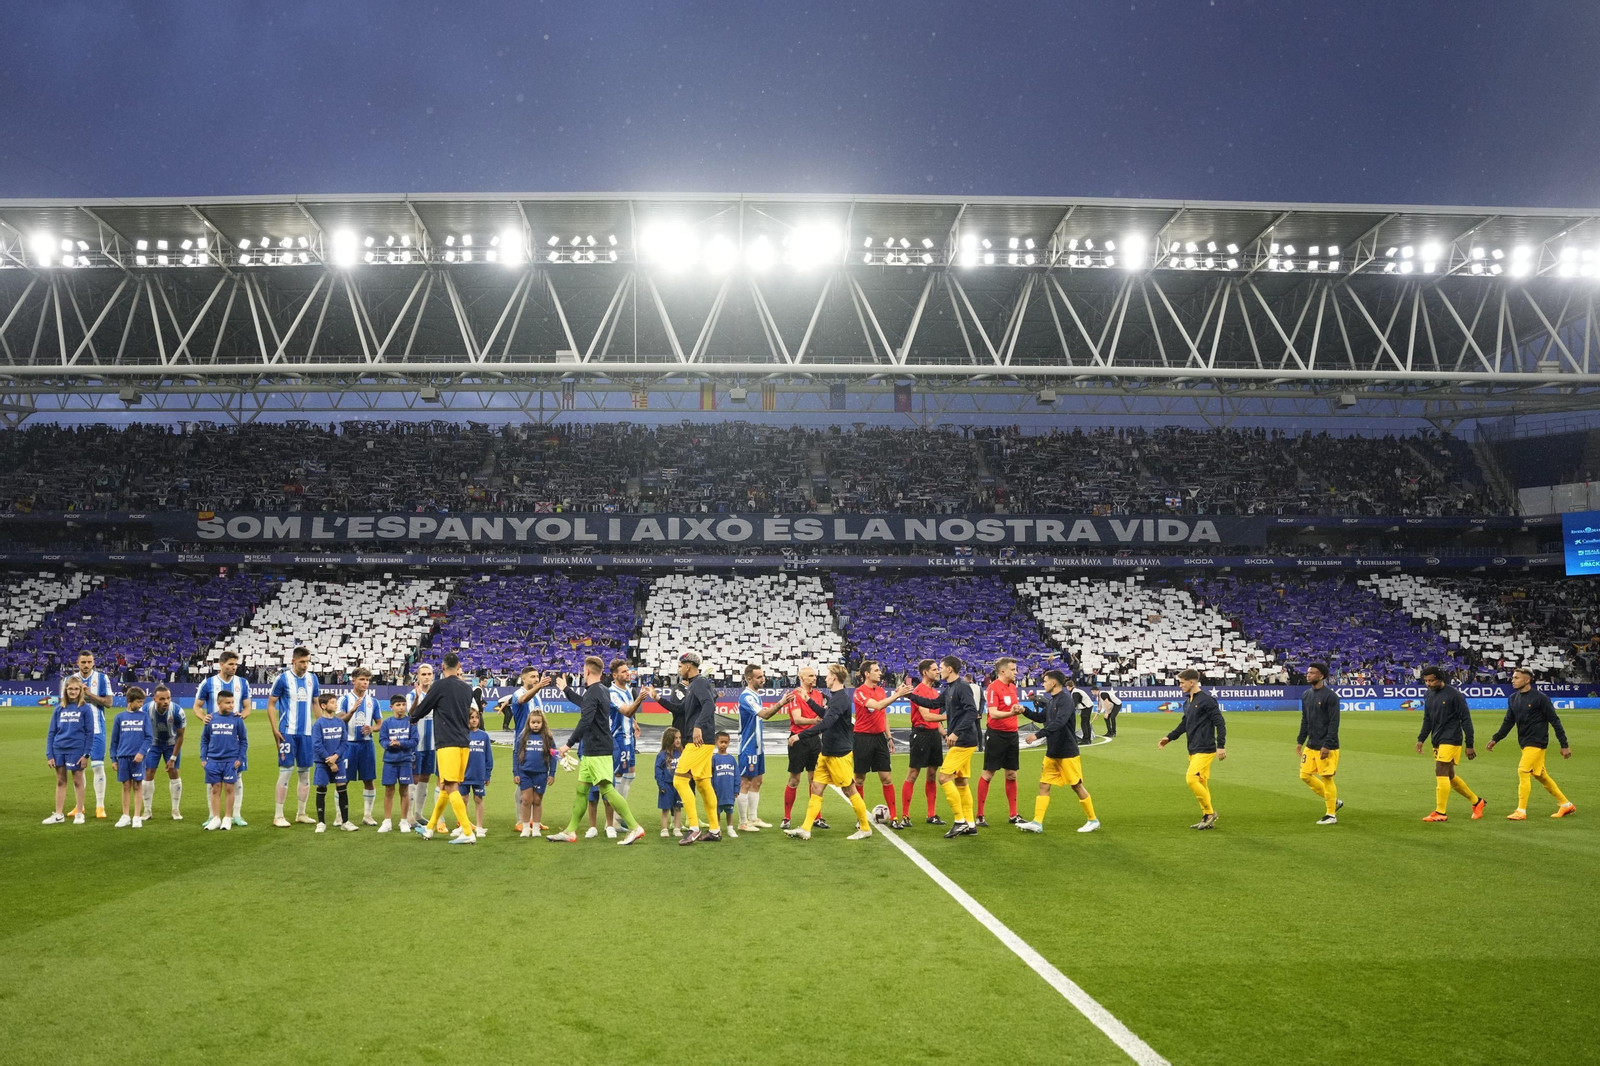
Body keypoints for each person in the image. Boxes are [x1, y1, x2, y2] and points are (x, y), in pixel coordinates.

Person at [545, 655, 646, 846]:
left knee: (607, 789)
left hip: (598, 749)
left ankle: (634, 827)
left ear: (587, 671)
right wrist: (566, 690)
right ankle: (570, 831)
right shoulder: (601, 690)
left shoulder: (594, 692)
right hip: (595, 749)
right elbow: (585, 704)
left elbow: (586, 719)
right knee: (582, 791)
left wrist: (568, 745)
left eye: (583, 671)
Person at [784, 663, 876, 841]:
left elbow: (826, 723)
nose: (824, 678)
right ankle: (805, 828)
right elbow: (826, 715)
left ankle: (865, 828)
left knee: (849, 790)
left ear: (834, 677)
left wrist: (800, 736)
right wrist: (808, 700)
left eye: (827, 675)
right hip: (827, 753)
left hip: (839, 754)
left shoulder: (841, 698)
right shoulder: (836, 697)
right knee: (816, 788)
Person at [408, 653, 481, 844]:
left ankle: (467, 832)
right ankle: (430, 828)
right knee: (444, 787)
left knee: (450, 786)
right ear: (458, 666)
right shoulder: (467, 688)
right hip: (464, 743)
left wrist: (413, 716)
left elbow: (421, 710)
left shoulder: (439, 686)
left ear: (442, 666)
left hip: (446, 743)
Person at [906, 655, 981, 839]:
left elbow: (972, 711)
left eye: (941, 667)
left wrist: (955, 733)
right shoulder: (950, 689)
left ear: (950, 669)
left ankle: (960, 821)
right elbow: (932, 704)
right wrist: (910, 695)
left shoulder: (962, 687)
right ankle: (970, 824)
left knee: (943, 777)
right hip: (964, 740)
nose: (939, 670)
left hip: (964, 740)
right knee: (961, 781)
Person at [1486, 667, 1576, 820]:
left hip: (1537, 742)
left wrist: (1564, 744)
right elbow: (1509, 721)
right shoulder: (1513, 698)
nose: (1512, 680)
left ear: (1527, 680)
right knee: (1541, 775)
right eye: (1513, 677)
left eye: (1516, 678)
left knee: (1523, 771)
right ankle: (1566, 805)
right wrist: (1496, 738)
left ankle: (1521, 810)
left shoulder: (1540, 698)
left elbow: (1555, 721)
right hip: (1524, 742)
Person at [1016, 670, 1098, 833]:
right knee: (1044, 785)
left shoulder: (1065, 700)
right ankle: (1037, 823)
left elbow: (1060, 722)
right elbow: (1041, 718)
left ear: (1053, 683)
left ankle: (1093, 820)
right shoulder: (1052, 701)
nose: (1043, 684)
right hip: (1052, 752)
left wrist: (1038, 735)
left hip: (1067, 751)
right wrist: (1024, 710)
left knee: (1076, 785)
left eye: (1045, 681)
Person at [655, 651, 722, 844]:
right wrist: (658, 699)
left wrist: (699, 726)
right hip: (704, 741)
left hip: (699, 741)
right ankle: (715, 829)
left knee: (679, 780)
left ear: (687, 666)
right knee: (702, 783)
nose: (679, 670)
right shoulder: (694, 686)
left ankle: (693, 827)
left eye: (680, 666)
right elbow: (681, 709)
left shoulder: (699, 683)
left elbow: (709, 705)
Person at [1157, 668, 1226, 830]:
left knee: (1191, 778)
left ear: (1191, 682)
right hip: (1193, 748)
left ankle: (1209, 813)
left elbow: (1220, 722)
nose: (1179, 686)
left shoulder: (1207, 700)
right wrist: (1169, 737)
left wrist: (1221, 745)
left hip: (1205, 748)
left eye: (1181, 683)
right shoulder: (1188, 701)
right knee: (1202, 781)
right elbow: (1184, 724)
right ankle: (1207, 817)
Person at [1415, 665, 1485, 823]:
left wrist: (1469, 744)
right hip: (1438, 739)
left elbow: (1466, 719)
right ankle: (1477, 801)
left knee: (1440, 770)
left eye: (1432, 680)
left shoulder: (1454, 695)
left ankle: (1440, 812)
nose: (1429, 684)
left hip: (1452, 738)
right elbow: (1428, 718)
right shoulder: (1428, 695)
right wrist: (1421, 739)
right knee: (1450, 776)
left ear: (1440, 678)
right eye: (1426, 681)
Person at [194, 650, 253, 826]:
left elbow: (248, 707)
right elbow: (197, 706)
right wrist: (203, 717)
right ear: (221, 664)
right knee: (212, 778)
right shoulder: (208, 683)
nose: (234, 668)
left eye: (236, 664)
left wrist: (241, 716)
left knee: (237, 775)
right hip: (215, 736)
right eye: (230, 664)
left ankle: (236, 814)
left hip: (233, 737)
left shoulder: (242, 683)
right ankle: (213, 815)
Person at [851, 660, 909, 829]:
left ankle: (894, 817)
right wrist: (897, 695)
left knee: (887, 778)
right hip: (862, 738)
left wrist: (889, 737)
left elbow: (883, 715)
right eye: (876, 670)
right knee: (860, 780)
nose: (880, 673)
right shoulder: (859, 692)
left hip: (879, 739)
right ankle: (860, 818)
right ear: (866, 674)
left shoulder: (882, 691)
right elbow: (876, 706)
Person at [269, 646, 320, 828]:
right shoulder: (283, 679)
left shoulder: (312, 679)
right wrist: (275, 728)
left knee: (305, 774)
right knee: (286, 772)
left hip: (306, 733)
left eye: (308, 662)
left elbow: (315, 704)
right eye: (302, 662)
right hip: (287, 732)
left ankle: (301, 813)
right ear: (294, 661)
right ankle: (278, 815)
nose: (305, 665)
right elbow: (271, 704)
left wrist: (321, 726)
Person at [601, 658, 649, 838]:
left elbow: (630, 714)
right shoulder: (612, 692)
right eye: (623, 671)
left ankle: (618, 815)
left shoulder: (627, 689)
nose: (627, 673)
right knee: (617, 777)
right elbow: (627, 711)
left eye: (628, 670)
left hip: (629, 739)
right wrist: (639, 699)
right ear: (615, 675)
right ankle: (611, 820)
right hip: (618, 739)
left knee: (631, 774)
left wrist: (634, 722)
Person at [62, 650, 113, 819]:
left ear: (93, 662)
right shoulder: (70, 680)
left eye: (89, 662)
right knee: (78, 769)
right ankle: (79, 807)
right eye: (83, 662)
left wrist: (89, 694)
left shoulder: (102, 678)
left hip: (97, 728)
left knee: (97, 766)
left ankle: (100, 806)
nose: (86, 665)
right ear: (77, 663)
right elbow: (63, 703)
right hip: (76, 731)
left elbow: (109, 703)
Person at [899, 659, 946, 828]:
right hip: (920, 734)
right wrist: (952, 716)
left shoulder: (934, 693)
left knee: (932, 773)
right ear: (925, 672)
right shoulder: (919, 691)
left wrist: (944, 733)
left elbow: (936, 721)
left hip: (933, 734)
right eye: (934, 669)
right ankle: (905, 815)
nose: (938, 672)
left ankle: (931, 814)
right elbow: (927, 716)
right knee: (913, 773)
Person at [780, 666, 827, 830]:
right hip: (798, 740)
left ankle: (817, 817)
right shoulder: (794, 695)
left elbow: (821, 715)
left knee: (815, 780)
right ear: (802, 677)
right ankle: (786, 817)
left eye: (815, 675)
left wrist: (818, 722)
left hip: (815, 740)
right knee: (794, 779)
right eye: (811, 676)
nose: (814, 678)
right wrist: (815, 721)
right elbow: (798, 719)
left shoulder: (819, 695)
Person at [977, 657, 1023, 827]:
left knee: (1012, 774)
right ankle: (980, 815)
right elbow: (994, 713)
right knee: (988, 774)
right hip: (996, 735)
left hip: (1012, 734)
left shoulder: (1012, 687)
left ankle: (1013, 814)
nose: (1016, 672)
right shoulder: (992, 688)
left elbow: (1013, 707)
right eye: (1013, 669)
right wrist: (1012, 713)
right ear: (1003, 671)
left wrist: (1019, 709)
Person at [1296, 662, 1343, 825]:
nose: (1308, 675)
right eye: (1308, 672)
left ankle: (1331, 814)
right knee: (1304, 775)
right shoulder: (1307, 695)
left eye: (1313, 673)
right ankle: (1334, 801)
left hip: (1327, 746)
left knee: (1327, 777)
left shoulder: (1330, 696)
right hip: (1311, 744)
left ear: (1321, 676)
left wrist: (1327, 745)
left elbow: (1334, 723)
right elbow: (1305, 720)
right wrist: (1300, 740)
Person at [497, 666, 544, 830]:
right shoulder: (519, 693)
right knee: (522, 782)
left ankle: (532, 819)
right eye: (532, 676)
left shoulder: (537, 698)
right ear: (523, 678)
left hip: (538, 746)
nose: (536, 679)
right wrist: (538, 687)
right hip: (523, 745)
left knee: (537, 781)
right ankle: (520, 820)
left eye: (537, 676)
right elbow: (522, 699)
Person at [43, 677, 94, 825]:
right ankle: (58, 814)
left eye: (76, 689)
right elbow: (52, 732)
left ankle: (79, 813)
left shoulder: (85, 708)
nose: (73, 692)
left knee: (78, 780)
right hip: (59, 748)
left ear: (80, 691)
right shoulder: (59, 708)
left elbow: (89, 733)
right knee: (60, 781)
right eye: (70, 689)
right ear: (66, 690)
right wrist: (49, 754)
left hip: (76, 749)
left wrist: (86, 754)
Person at [336, 668, 382, 828]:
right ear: (353, 680)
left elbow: (379, 724)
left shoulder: (373, 701)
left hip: (366, 745)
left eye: (367, 680)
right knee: (343, 780)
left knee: (369, 780)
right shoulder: (344, 699)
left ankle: (367, 815)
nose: (365, 683)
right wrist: (352, 711)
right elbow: (339, 721)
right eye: (362, 679)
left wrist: (372, 729)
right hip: (347, 745)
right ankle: (339, 815)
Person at [735, 664, 777, 832]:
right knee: (745, 782)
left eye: (763, 676)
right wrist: (782, 702)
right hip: (748, 746)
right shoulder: (746, 697)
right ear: (749, 679)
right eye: (759, 677)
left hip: (758, 746)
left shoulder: (756, 695)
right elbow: (765, 715)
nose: (763, 679)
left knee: (758, 781)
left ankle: (753, 818)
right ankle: (743, 822)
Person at [199, 690, 247, 832]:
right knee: (215, 789)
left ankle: (227, 817)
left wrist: (240, 758)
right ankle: (215, 818)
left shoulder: (237, 720)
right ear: (219, 703)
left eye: (232, 702)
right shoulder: (210, 719)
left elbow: (244, 741)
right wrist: (203, 758)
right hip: (213, 760)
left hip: (230, 760)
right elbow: (204, 740)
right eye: (227, 702)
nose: (231, 705)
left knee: (229, 788)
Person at [140, 683, 186, 820]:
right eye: (162, 699)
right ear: (155, 699)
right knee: (149, 772)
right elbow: (141, 732)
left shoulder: (177, 712)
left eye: (168, 698)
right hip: (152, 744)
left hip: (171, 744)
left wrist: (173, 758)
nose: (166, 701)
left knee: (173, 772)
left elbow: (181, 736)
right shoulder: (145, 710)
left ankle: (175, 810)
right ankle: (147, 811)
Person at [110, 689, 153, 828]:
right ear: (129, 701)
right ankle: (125, 815)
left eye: (142, 701)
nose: (141, 704)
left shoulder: (144, 716)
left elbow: (149, 738)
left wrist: (141, 753)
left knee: (138, 785)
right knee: (125, 786)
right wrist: (113, 758)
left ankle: (136, 816)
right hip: (123, 756)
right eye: (139, 701)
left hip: (138, 758)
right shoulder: (119, 717)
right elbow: (114, 740)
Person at [312, 693, 353, 833]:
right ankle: (321, 822)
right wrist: (330, 761)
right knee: (321, 789)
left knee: (342, 790)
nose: (335, 705)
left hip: (338, 762)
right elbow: (317, 745)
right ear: (324, 706)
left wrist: (336, 757)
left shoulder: (340, 722)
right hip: (323, 763)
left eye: (335, 702)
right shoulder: (318, 724)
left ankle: (345, 821)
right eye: (332, 702)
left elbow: (344, 742)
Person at [515, 707, 558, 838]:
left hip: (541, 773)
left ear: (542, 723)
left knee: (538, 801)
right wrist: (516, 772)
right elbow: (516, 754)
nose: (535, 725)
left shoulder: (548, 737)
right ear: (529, 723)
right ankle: (526, 827)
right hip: (525, 773)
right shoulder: (523, 737)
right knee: (526, 800)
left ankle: (536, 827)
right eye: (533, 722)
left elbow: (553, 756)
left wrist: (552, 773)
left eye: (538, 722)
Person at [406, 664, 438, 834]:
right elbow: (410, 715)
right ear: (417, 676)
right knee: (415, 778)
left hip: (432, 743)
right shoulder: (411, 695)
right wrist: (418, 698)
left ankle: (418, 813)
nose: (426, 677)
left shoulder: (436, 694)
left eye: (429, 674)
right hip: (416, 744)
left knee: (425, 777)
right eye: (423, 674)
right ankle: (409, 815)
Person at [378, 695, 416, 833]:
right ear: (391, 707)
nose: (401, 707)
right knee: (389, 790)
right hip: (389, 761)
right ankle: (387, 821)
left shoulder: (410, 722)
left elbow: (414, 741)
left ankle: (404, 821)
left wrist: (400, 743)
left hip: (405, 760)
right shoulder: (387, 723)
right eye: (398, 705)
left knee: (404, 790)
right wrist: (389, 744)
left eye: (403, 705)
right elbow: (382, 740)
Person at [459, 709, 494, 837]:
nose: (474, 720)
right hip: (464, 775)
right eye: (471, 717)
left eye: (476, 717)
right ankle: (464, 825)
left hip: (478, 775)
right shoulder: (462, 735)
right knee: (463, 800)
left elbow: (488, 757)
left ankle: (479, 826)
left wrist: (487, 774)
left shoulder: (484, 736)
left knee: (478, 799)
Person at [656, 726, 684, 837]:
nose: (678, 740)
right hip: (667, 785)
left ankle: (677, 827)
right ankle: (664, 829)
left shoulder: (682, 753)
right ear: (668, 739)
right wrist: (661, 785)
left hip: (679, 786)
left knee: (678, 807)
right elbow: (658, 771)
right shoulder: (662, 755)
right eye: (675, 738)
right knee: (665, 808)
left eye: (679, 738)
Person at [712, 732, 740, 838]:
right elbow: (710, 775)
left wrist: (736, 789)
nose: (723, 744)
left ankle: (730, 828)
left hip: (729, 791)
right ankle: (717, 828)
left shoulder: (732, 759)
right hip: (718, 791)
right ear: (716, 742)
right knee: (717, 811)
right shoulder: (713, 759)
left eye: (726, 742)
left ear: (729, 743)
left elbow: (737, 775)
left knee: (729, 810)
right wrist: (712, 788)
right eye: (721, 742)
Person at [1064, 677, 1093, 746]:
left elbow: (1074, 703)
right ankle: (1088, 739)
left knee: (1084, 723)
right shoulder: (1076, 691)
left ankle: (1086, 739)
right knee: (1086, 723)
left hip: (1086, 707)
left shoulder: (1075, 692)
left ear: (1068, 687)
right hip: (1088, 706)